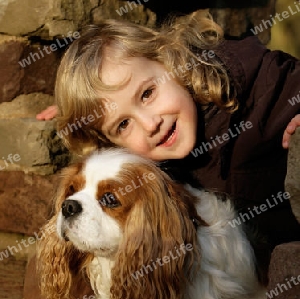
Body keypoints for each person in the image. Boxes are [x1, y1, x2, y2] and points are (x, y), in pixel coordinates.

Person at [37, 11, 300, 278]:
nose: (151, 124)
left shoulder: (262, 83)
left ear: (169, 61)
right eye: (123, 124)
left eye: (147, 94)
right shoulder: (155, 167)